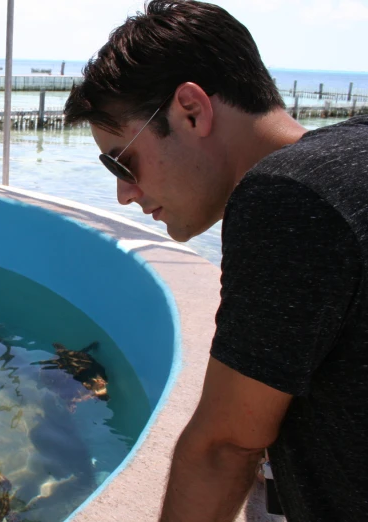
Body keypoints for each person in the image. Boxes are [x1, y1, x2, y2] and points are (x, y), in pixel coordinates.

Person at [63, 1, 368, 521]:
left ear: (191, 110)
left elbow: (225, 448)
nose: (122, 194)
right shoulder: (352, 158)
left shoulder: (287, 196)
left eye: (121, 160)